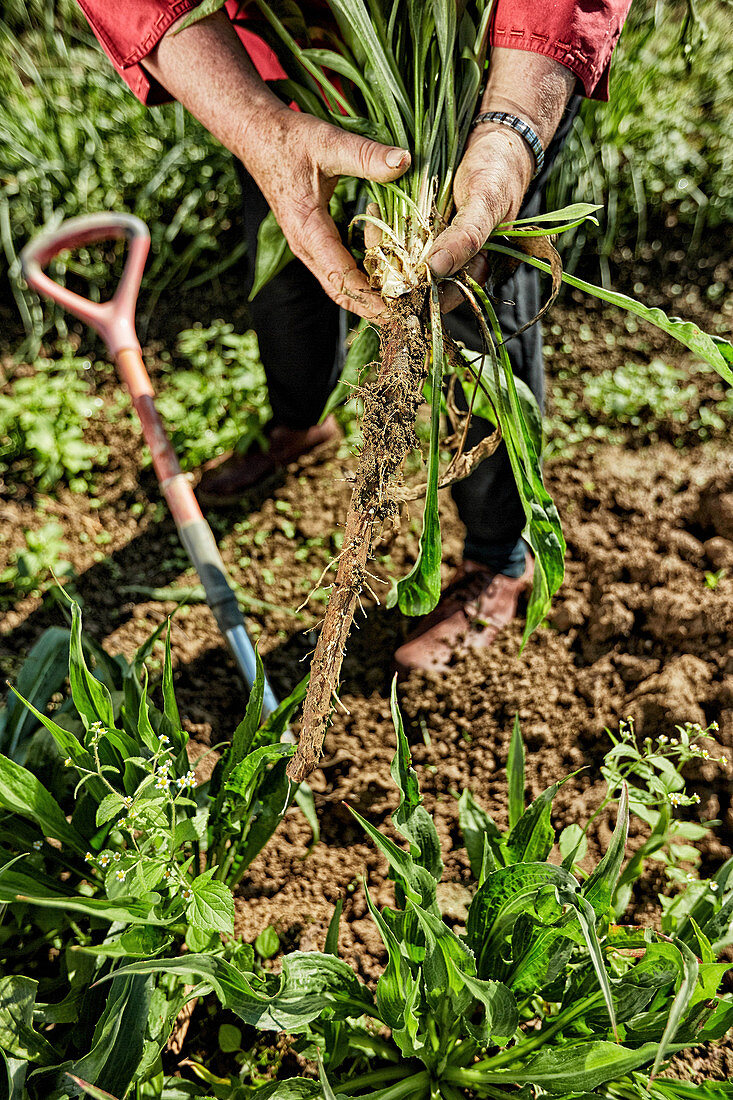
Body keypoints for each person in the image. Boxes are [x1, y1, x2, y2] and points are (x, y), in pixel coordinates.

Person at [78, 0, 631, 672]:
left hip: (481, 69)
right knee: (283, 248)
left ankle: (499, 557)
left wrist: (512, 130)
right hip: (284, 51)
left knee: (475, 290)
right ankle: (301, 424)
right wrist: (258, 127)